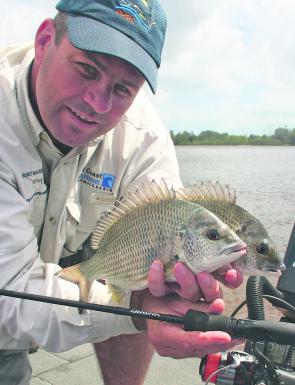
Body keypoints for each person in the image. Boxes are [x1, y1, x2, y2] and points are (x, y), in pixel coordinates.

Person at [0, 0, 244, 384]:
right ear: (45, 41)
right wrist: (133, 308)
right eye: (86, 69)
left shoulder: (144, 139)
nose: (97, 102)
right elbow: (10, 294)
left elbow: (164, 247)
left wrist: (166, 297)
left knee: (149, 266)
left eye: (123, 88)